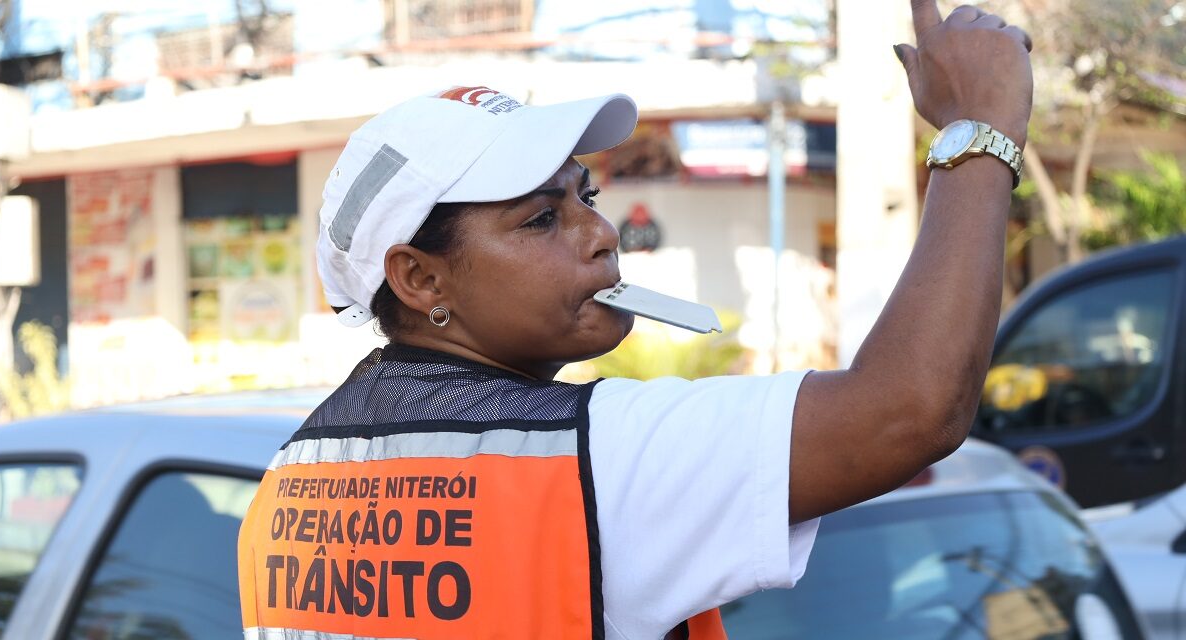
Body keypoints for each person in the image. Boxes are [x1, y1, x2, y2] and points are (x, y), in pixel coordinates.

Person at [237, 2, 1034, 638]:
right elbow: (909, 409)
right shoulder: (593, 455)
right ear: (418, 278)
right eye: (539, 221)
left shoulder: (287, 486)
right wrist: (978, 131)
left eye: (585, 197)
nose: (601, 232)